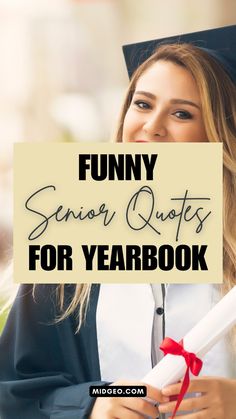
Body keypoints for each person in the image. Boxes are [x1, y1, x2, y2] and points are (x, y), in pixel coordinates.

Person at [0, 25, 236, 419]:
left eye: (182, 113)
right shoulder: (72, 221)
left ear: (219, 132)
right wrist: (94, 403)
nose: (152, 126)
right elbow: (12, 391)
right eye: (142, 104)